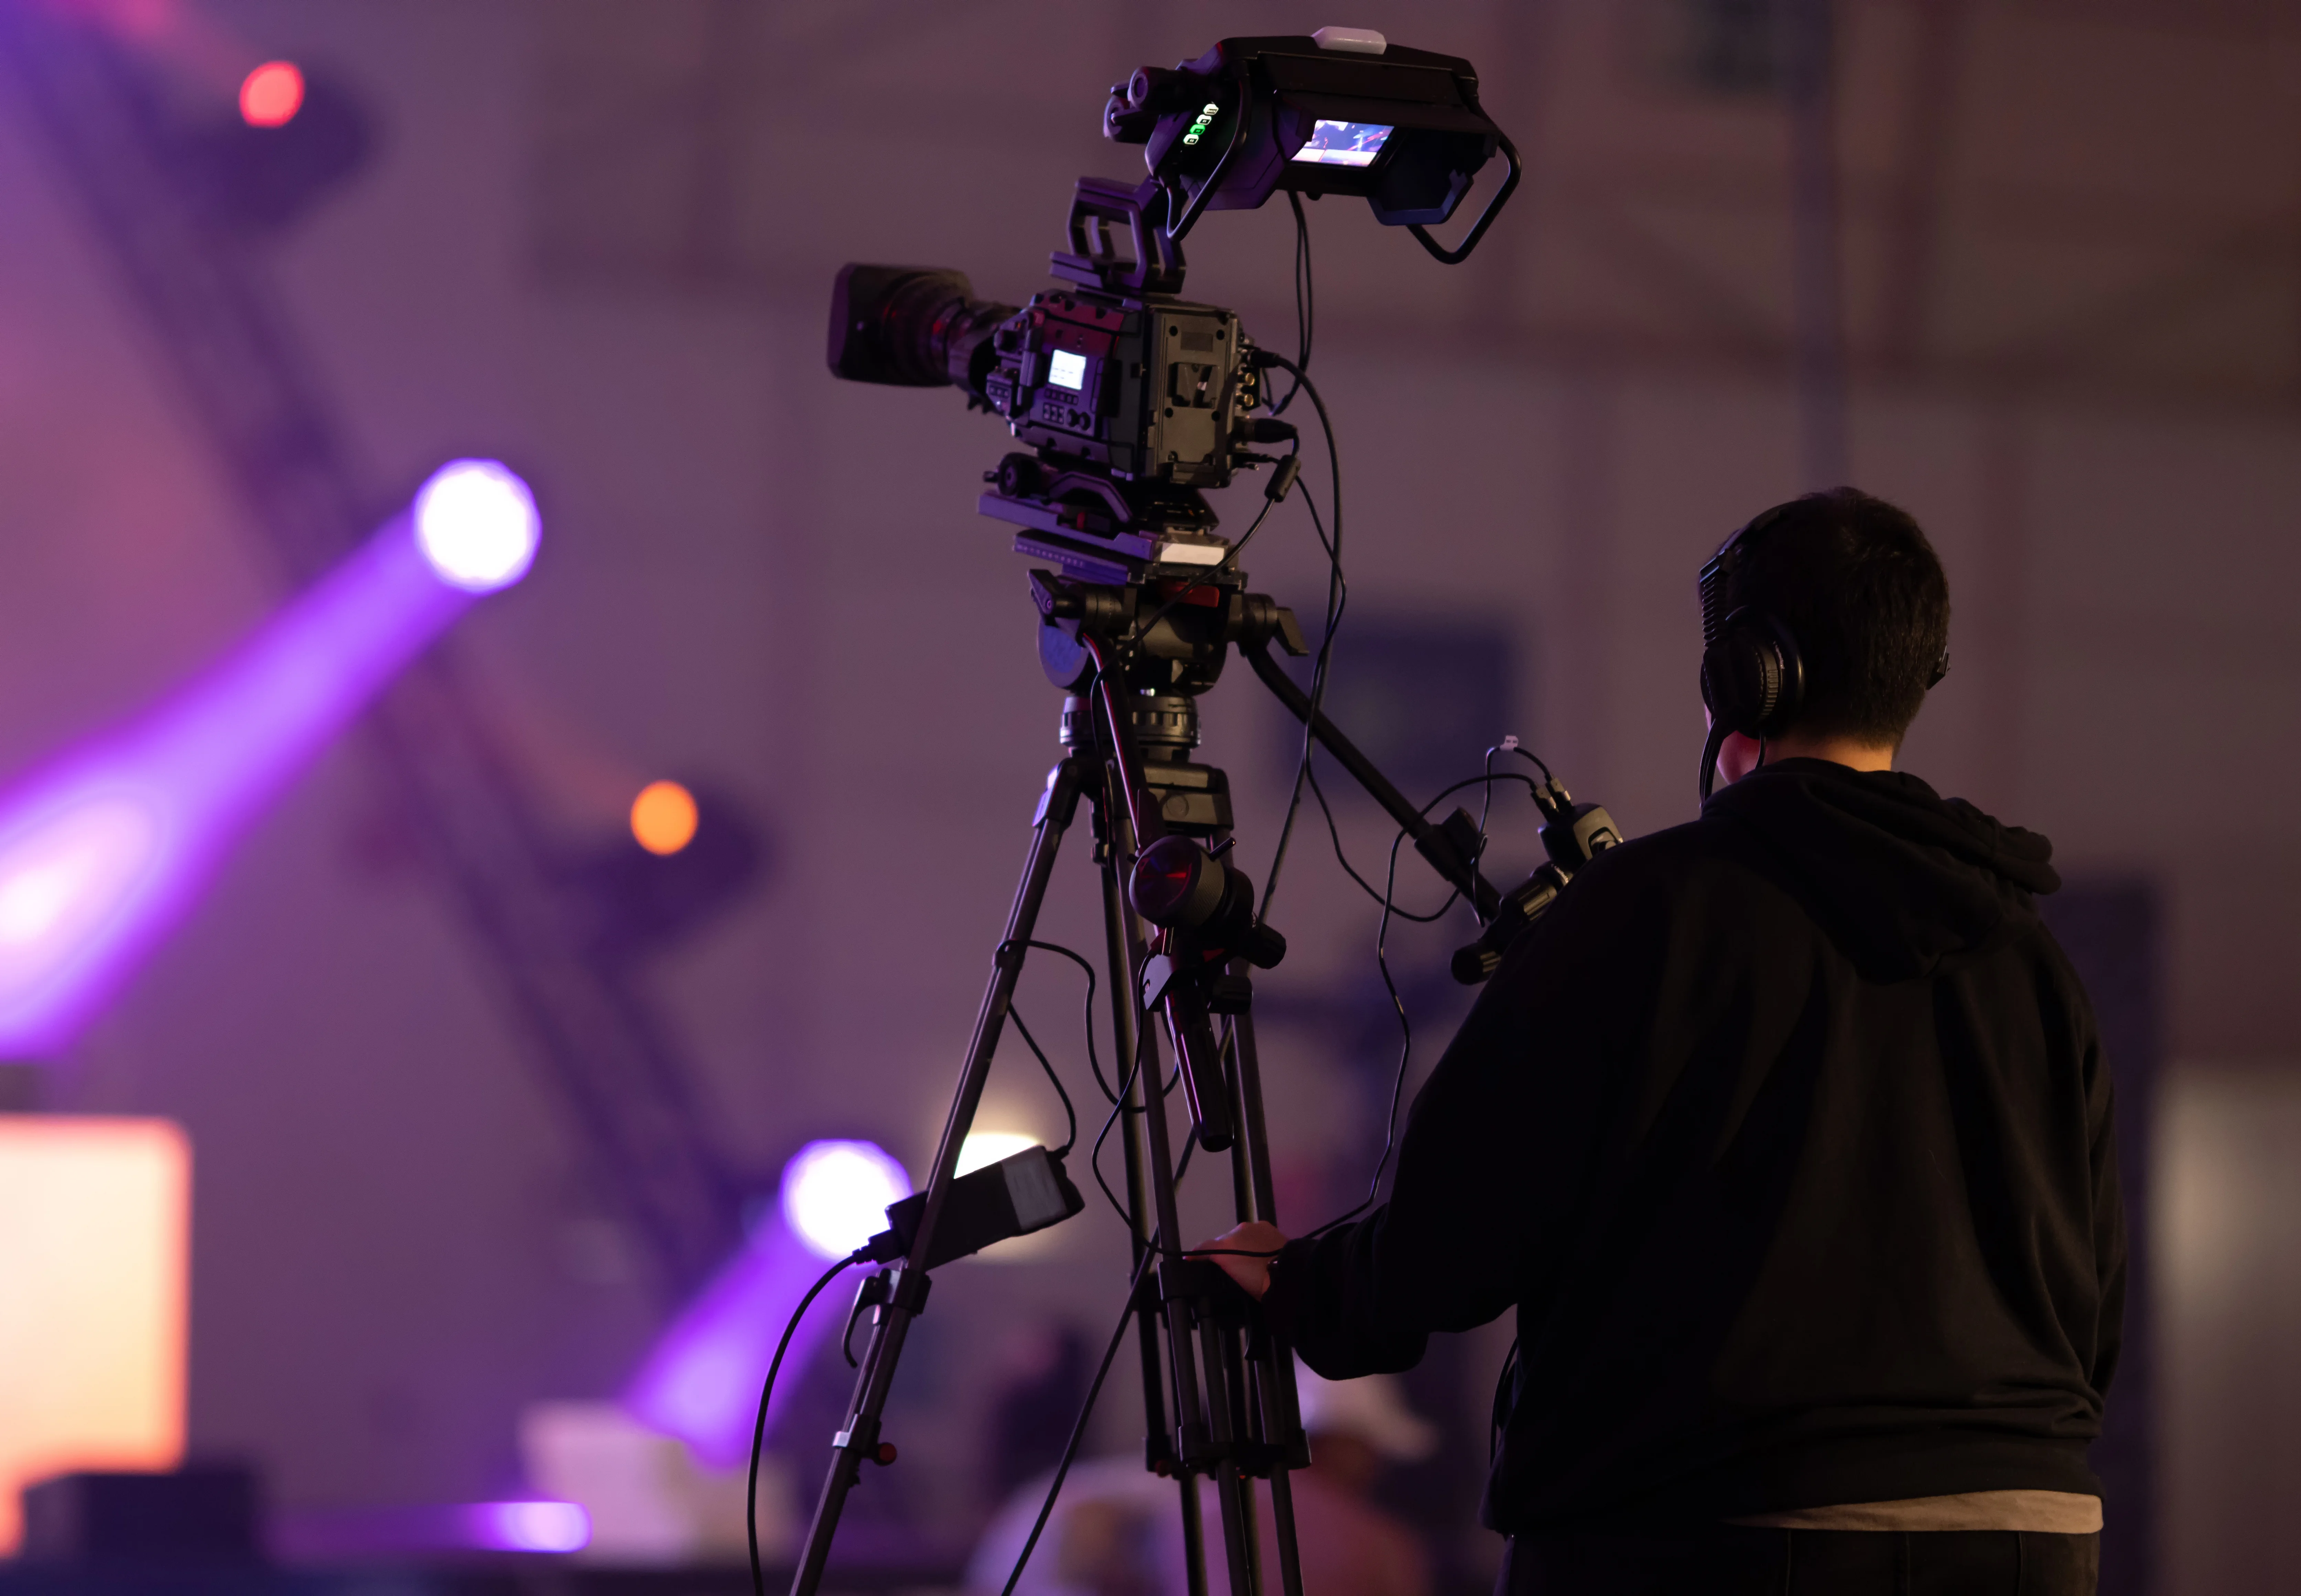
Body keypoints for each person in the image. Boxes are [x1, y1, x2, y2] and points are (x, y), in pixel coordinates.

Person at [1200, 489, 2122, 1594]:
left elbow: (1459, 1232)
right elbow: (2095, 1302)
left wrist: (1305, 1290)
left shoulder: (1657, 909)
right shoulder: (2026, 955)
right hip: (2032, 1537)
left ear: (1745, 679)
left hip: (1721, 1532)